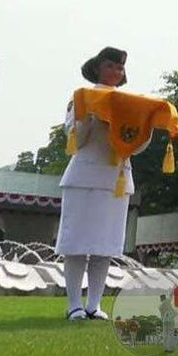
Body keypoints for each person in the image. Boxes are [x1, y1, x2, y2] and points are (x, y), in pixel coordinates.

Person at [57, 46, 151, 321]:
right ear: (98, 67)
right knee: (76, 245)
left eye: (119, 68)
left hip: (117, 179)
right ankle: (74, 304)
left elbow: (136, 145)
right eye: (110, 66)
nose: (115, 72)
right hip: (84, 176)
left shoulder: (129, 101)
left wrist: (143, 127)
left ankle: (94, 304)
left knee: (104, 247)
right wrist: (92, 114)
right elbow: (75, 139)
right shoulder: (82, 97)